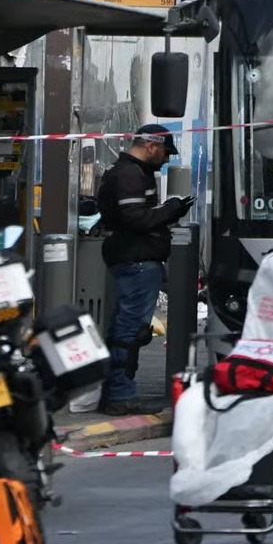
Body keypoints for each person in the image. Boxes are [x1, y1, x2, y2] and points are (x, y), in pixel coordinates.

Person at [96, 124, 194, 415]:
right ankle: (120, 395)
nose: (166, 159)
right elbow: (135, 219)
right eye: (165, 151)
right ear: (150, 146)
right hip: (136, 260)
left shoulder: (131, 172)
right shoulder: (129, 174)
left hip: (134, 259)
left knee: (128, 328)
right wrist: (171, 209)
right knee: (131, 330)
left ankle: (118, 392)